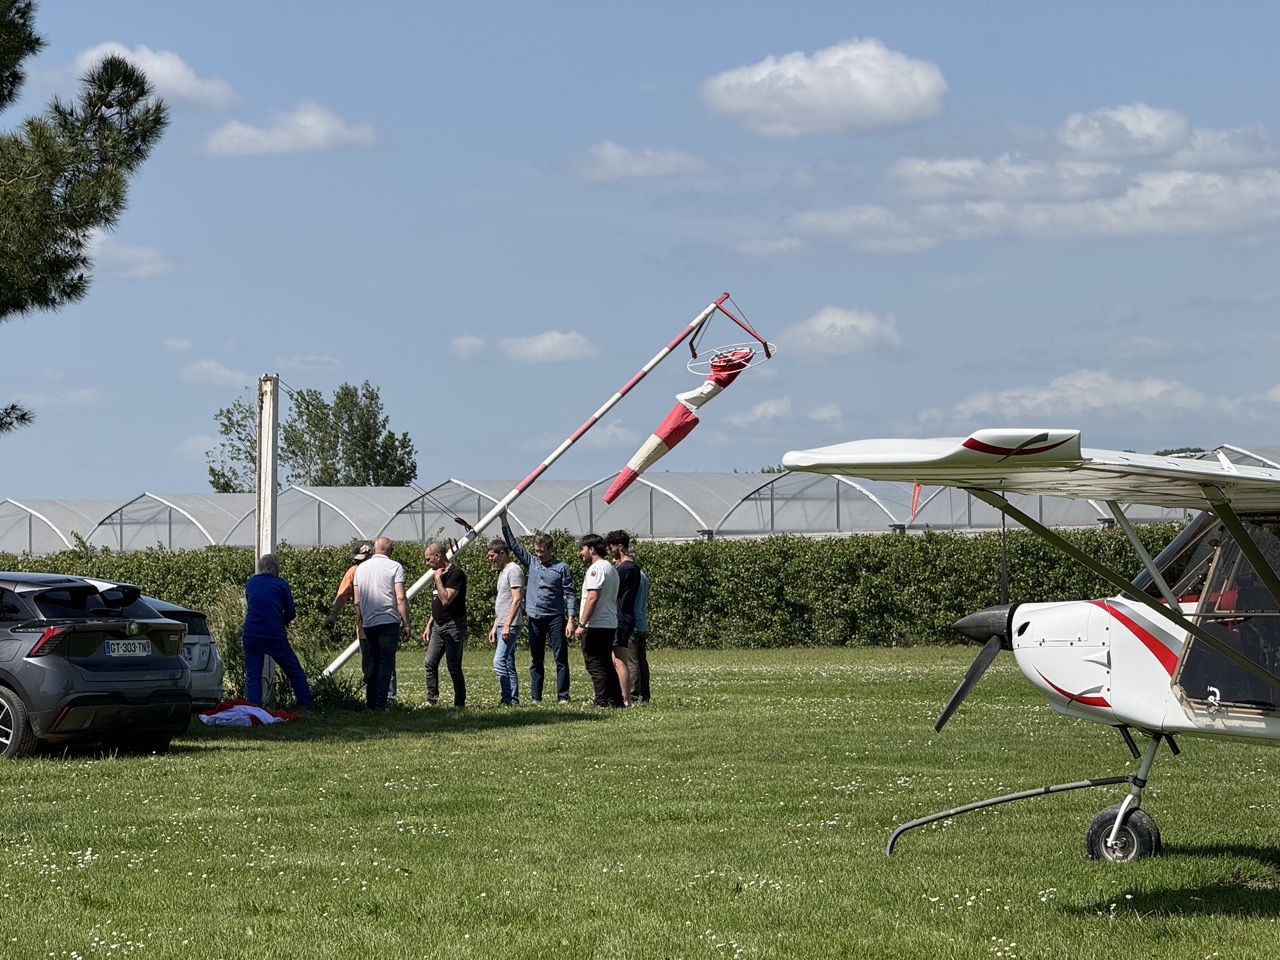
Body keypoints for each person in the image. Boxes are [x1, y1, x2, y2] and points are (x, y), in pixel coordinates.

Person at [501, 510, 577, 703]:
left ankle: (563, 696)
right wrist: (504, 520)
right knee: (536, 660)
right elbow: (514, 546)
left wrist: (570, 619)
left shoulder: (562, 568)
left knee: (560, 658)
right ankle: (536, 697)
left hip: (555, 618)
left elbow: (569, 594)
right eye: (536, 551)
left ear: (551, 549)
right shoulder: (532, 563)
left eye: (542, 551)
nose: (539, 554)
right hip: (535, 618)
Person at [323, 540, 398, 701]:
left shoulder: (382, 569)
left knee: (385, 663)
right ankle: (375, 701)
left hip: (372, 625)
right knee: (372, 665)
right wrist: (333, 613)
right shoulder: (354, 572)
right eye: (356, 561)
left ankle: (387, 698)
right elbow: (342, 595)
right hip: (366, 629)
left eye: (360, 560)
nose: (357, 564)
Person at [242, 553, 313, 708]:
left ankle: (254, 710)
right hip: (273, 633)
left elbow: (252, 603)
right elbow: (291, 611)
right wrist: (283, 622)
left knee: (253, 676)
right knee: (294, 671)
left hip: (251, 632)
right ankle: (306, 704)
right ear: (275, 567)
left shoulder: (251, 583)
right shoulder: (281, 584)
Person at [352, 536, 411, 710]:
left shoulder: (360, 569)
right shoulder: (395, 567)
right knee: (385, 662)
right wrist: (406, 622)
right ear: (390, 550)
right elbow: (400, 596)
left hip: (369, 622)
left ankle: (370, 703)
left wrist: (361, 619)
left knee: (372, 662)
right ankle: (381, 703)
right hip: (388, 619)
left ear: (374, 548)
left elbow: (356, 600)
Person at [573, 533, 623, 708]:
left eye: (582, 549)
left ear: (592, 549)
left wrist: (581, 624)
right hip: (609, 623)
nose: (581, 553)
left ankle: (601, 701)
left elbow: (592, 597)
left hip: (596, 624)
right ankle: (616, 701)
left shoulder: (596, 569)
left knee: (595, 664)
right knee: (607, 664)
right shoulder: (611, 568)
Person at [423, 541, 468, 707]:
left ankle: (459, 702)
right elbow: (437, 603)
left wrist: (438, 580)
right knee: (429, 662)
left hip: (454, 624)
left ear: (438, 556)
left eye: (429, 559)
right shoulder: (438, 573)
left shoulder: (456, 574)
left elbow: (446, 599)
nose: (427, 563)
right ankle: (431, 699)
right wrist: (429, 624)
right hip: (438, 626)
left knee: (453, 665)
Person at [487, 539, 525, 705]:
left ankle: (506, 698)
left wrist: (507, 625)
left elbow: (516, 599)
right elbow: (503, 601)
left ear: (502, 553)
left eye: (492, 555)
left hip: (511, 623)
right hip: (502, 623)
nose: (490, 559)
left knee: (499, 661)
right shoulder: (503, 571)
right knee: (508, 662)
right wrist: (496, 625)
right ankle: (513, 699)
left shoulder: (514, 571)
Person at [604, 529, 639, 707]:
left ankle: (625, 699)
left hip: (620, 617)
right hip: (626, 616)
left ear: (620, 547)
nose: (610, 551)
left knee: (619, 660)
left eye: (611, 548)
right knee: (617, 659)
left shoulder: (624, 569)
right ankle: (622, 697)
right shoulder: (633, 568)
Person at [629, 568, 651, 704]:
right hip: (642, 623)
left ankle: (634, 695)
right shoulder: (643, 575)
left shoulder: (631, 575)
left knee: (632, 661)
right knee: (642, 662)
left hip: (632, 624)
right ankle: (645, 694)